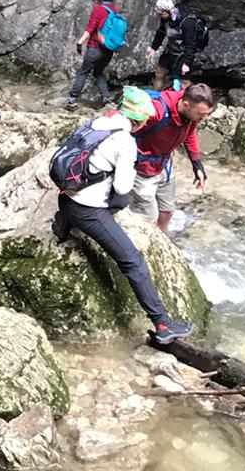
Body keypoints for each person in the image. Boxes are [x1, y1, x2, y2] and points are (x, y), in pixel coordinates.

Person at [50, 87, 196, 344]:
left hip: (66, 196)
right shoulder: (125, 141)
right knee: (133, 262)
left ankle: (63, 224)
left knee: (95, 202)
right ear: (139, 121)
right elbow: (122, 188)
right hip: (88, 210)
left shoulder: (97, 121)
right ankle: (162, 324)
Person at [131, 82, 214, 232]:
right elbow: (124, 126)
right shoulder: (156, 111)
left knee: (167, 211)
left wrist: (197, 165)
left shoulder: (191, 116)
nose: (204, 118)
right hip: (141, 167)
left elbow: (189, 134)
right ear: (186, 104)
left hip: (164, 165)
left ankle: (165, 244)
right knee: (148, 220)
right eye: (201, 114)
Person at [68, 0, 121, 108]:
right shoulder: (114, 11)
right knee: (98, 73)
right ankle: (105, 97)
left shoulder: (98, 9)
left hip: (95, 48)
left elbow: (90, 28)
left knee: (83, 72)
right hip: (108, 50)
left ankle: (72, 99)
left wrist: (80, 42)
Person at [146, 0, 206, 90]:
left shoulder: (188, 22)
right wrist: (153, 48)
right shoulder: (166, 19)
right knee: (159, 72)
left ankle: (186, 100)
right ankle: (155, 96)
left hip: (184, 54)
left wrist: (187, 63)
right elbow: (161, 33)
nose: (160, 16)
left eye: (161, 14)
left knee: (183, 81)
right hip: (170, 51)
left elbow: (191, 44)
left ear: (167, 11)